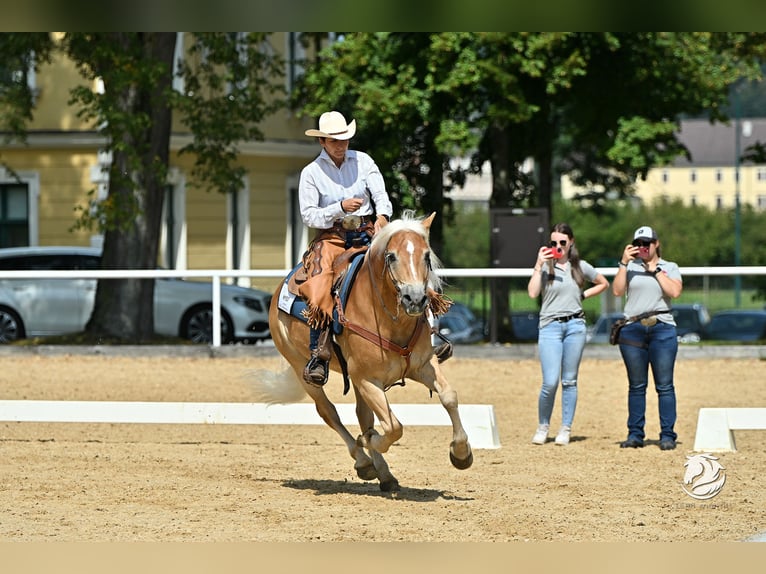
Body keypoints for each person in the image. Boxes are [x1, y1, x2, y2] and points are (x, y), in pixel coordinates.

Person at [297, 110, 393, 387]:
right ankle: (319, 353)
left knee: (406, 264)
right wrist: (338, 208)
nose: (341, 145)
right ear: (323, 142)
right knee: (318, 284)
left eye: (345, 140)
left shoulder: (363, 161)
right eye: (335, 141)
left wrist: (383, 217)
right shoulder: (311, 173)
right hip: (332, 237)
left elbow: (381, 195)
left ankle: (430, 335)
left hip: (368, 230)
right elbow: (309, 216)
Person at [527, 223, 609, 446]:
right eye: (553, 243)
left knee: (570, 380)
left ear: (571, 242)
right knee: (550, 382)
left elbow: (603, 283)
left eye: (562, 242)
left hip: (575, 326)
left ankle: (565, 428)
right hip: (550, 327)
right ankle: (543, 425)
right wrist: (538, 264)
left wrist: (584, 295)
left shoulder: (580, 266)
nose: (558, 247)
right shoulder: (545, 267)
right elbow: (532, 292)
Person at [612, 225, 683, 450]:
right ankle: (635, 434)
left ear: (656, 244)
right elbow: (617, 290)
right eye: (638, 244)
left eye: (646, 243)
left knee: (664, 385)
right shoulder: (629, 267)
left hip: (662, 328)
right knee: (636, 385)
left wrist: (656, 271)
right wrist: (623, 263)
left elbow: (675, 292)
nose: (642, 247)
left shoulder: (669, 267)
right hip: (633, 328)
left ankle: (667, 435)